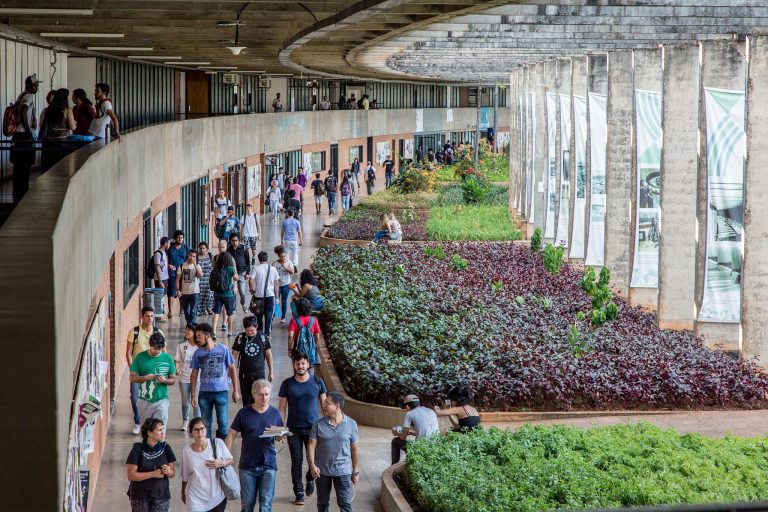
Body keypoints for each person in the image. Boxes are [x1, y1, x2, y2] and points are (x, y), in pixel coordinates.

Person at [225, 380, 284, 512]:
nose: (264, 398)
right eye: (260, 395)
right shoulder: (243, 413)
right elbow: (232, 434)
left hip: (268, 465)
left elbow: (279, 435)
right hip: (247, 466)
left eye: (267, 394)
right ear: (254, 395)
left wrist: (281, 437)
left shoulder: (275, 413)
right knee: (247, 505)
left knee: (266, 504)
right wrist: (226, 455)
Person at [279, 353, 327, 505]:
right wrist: (282, 429)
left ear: (308, 365)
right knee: (297, 460)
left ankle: (310, 477)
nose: (300, 366)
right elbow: (282, 408)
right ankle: (299, 492)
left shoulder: (318, 382)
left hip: (313, 429)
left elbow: (325, 406)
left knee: (315, 459)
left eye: (303, 363)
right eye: (298, 363)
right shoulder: (287, 384)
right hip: (293, 430)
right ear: (294, 365)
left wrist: (328, 426)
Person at [308, 392, 360, 512]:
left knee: (345, 504)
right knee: (322, 504)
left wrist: (355, 471)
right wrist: (312, 466)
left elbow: (354, 449)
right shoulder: (318, 424)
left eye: (328, 403)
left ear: (337, 406)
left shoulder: (351, 424)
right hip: (322, 471)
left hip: (343, 471)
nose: (324, 405)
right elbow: (311, 446)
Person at [190, 323, 240, 439]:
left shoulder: (223, 349)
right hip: (204, 393)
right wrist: (193, 395)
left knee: (223, 425)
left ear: (207, 335)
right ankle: (207, 448)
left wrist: (236, 390)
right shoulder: (197, 353)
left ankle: (221, 447)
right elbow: (194, 374)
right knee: (205, 426)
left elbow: (232, 369)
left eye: (199, 336)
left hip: (221, 392)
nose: (197, 339)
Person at [181, 417, 233, 512]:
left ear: (206, 429)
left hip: (217, 497)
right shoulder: (186, 451)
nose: (200, 433)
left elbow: (230, 460)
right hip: (195, 498)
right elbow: (185, 475)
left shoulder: (217, 443)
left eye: (202, 429)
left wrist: (221, 463)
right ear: (191, 432)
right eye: (196, 430)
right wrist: (183, 492)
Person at [129, 332, 177, 433]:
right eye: (154, 348)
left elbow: (173, 380)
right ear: (149, 345)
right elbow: (132, 378)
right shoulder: (140, 357)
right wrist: (145, 378)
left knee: (160, 430)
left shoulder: (168, 359)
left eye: (159, 349)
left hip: (161, 399)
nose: (157, 351)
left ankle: (160, 444)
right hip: (144, 399)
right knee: (147, 431)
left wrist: (164, 380)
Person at [126, 306, 163, 435]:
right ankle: (137, 422)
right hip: (138, 371)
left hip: (153, 372)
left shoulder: (158, 332)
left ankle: (151, 424)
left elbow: (163, 352)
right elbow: (128, 352)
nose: (150, 318)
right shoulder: (134, 332)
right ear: (142, 317)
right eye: (147, 316)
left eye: (152, 316)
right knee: (135, 397)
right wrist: (132, 369)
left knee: (153, 398)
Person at [126, 418, 176, 512]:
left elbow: (172, 473)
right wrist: (153, 474)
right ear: (150, 433)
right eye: (159, 430)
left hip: (161, 496)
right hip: (140, 496)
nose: (163, 433)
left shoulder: (166, 448)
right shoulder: (137, 448)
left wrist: (168, 471)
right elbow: (131, 475)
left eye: (162, 429)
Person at [9, 75, 40, 203]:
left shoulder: (21, 95)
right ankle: (23, 188)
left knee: (18, 164)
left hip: (17, 134)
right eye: (35, 85)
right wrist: (28, 131)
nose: (37, 88)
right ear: (29, 85)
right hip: (23, 134)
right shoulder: (28, 96)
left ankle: (17, 189)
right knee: (25, 163)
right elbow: (23, 112)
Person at [232, 316, 273, 408]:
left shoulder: (262, 337)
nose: (249, 333)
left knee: (260, 398)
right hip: (244, 375)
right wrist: (230, 370)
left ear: (256, 326)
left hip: (259, 374)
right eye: (247, 330)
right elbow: (233, 355)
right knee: (246, 400)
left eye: (252, 330)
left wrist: (271, 371)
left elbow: (268, 354)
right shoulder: (241, 337)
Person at [390, 394, 439, 464]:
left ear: (407, 406)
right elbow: (426, 432)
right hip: (436, 446)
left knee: (395, 441)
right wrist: (411, 432)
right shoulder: (430, 411)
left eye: (405, 408)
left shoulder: (409, 414)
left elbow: (403, 437)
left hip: (422, 450)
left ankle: (393, 466)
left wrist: (395, 431)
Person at [39, 88, 76, 173]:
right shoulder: (67, 110)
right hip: (61, 144)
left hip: (48, 143)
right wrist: (74, 122)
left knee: (48, 169)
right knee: (60, 169)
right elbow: (73, 127)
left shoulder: (47, 110)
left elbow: (42, 125)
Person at [174, 324, 201, 431]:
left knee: (196, 402)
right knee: (185, 401)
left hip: (198, 379)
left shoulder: (200, 346)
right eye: (186, 330)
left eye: (189, 330)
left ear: (194, 332)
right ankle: (185, 421)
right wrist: (177, 369)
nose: (186, 332)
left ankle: (197, 423)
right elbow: (177, 359)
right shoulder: (181, 345)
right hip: (184, 378)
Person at [248, 251, 280, 338]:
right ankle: (267, 333)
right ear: (267, 258)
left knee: (258, 315)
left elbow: (251, 280)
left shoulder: (255, 268)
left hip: (258, 296)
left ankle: (259, 332)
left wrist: (251, 289)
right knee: (269, 315)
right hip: (270, 295)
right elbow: (276, 283)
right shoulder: (273, 269)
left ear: (259, 259)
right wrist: (277, 295)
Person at [287, 298, 322, 374]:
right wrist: (313, 344)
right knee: (310, 370)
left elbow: (290, 336)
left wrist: (289, 349)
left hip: (297, 349)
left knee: (298, 369)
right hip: (310, 349)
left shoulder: (294, 321)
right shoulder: (314, 320)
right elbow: (317, 336)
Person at [211, 250, 239, 335]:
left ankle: (213, 331)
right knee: (230, 313)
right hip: (228, 294)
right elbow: (236, 278)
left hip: (217, 294)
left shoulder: (216, 268)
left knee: (216, 313)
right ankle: (230, 332)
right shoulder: (230, 269)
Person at [176, 249, 202, 325]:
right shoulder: (182, 266)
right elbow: (177, 279)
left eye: (194, 256)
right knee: (186, 310)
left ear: (196, 257)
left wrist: (195, 265)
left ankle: (191, 325)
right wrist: (178, 290)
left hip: (195, 291)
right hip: (184, 292)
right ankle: (190, 324)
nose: (192, 258)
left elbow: (201, 275)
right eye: (190, 255)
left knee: (193, 310)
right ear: (188, 255)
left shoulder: (197, 266)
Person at [167, 230, 190, 318]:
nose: (180, 239)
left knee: (183, 292)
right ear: (175, 238)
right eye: (178, 237)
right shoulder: (170, 247)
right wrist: (168, 265)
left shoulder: (186, 247)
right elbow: (165, 258)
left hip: (184, 272)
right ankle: (170, 311)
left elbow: (190, 259)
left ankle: (181, 310)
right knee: (171, 292)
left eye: (182, 238)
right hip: (172, 273)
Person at [227, 234, 251, 314]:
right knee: (233, 292)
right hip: (232, 274)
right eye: (233, 241)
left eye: (236, 240)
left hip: (241, 273)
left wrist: (248, 272)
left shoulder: (244, 248)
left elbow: (248, 261)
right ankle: (233, 309)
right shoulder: (228, 250)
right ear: (230, 241)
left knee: (242, 293)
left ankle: (243, 303)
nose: (235, 242)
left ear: (239, 240)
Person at [273, 245, 295, 326]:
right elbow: (272, 274)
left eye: (284, 256)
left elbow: (293, 272)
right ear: (278, 256)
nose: (283, 258)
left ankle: (283, 317)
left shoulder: (289, 262)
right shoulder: (275, 263)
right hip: (277, 285)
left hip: (286, 284)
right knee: (276, 300)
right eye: (281, 256)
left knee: (284, 301)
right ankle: (274, 315)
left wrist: (286, 268)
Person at [153, 237, 171, 315]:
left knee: (162, 297)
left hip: (164, 278)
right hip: (160, 279)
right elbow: (157, 267)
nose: (169, 245)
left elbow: (162, 265)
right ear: (165, 243)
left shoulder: (164, 253)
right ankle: (158, 315)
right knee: (159, 297)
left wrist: (169, 266)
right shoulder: (158, 253)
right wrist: (160, 281)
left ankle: (160, 314)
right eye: (169, 243)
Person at [197, 242, 215, 317]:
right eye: (200, 248)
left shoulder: (210, 256)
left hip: (209, 279)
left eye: (203, 248)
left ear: (206, 249)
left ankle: (209, 308)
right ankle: (201, 310)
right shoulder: (197, 257)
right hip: (200, 280)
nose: (202, 249)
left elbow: (214, 266)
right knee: (201, 295)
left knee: (210, 295)